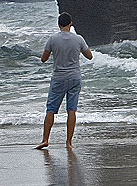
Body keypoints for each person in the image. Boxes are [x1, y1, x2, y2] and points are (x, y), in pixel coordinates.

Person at [34, 12, 93, 150]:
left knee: (51, 110)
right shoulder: (78, 39)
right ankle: (68, 142)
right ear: (71, 24)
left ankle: (45, 139)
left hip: (59, 77)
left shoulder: (53, 39)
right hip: (74, 77)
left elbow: (43, 59)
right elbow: (89, 56)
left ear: (58, 24)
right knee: (71, 110)